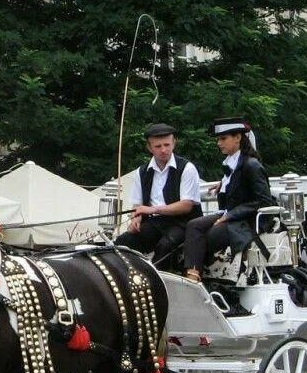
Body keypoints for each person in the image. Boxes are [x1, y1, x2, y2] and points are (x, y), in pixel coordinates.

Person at [182, 118, 275, 284]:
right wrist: (224, 185)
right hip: (230, 215)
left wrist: (231, 215)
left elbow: (264, 201)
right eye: (218, 139)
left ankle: (196, 279)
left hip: (245, 221)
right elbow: (237, 183)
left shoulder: (251, 165)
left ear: (238, 137)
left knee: (206, 237)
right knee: (193, 225)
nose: (219, 143)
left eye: (223, 139)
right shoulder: (232, 164)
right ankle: (192, 274)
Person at [114, 123, 203, 271]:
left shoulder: (187, 168)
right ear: (149, 148)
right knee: (122, 242)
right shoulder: (141, 172)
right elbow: (137, 205)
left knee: (166, 246)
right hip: (154, 223)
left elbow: (186, 205)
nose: (163, 150)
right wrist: (136, 218)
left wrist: (151, 209)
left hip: (183, 223)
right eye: (158, 146)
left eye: (167, 145)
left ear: (174, 143)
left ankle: (158, 283)